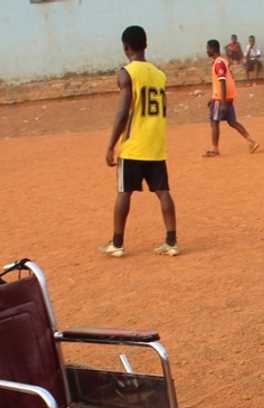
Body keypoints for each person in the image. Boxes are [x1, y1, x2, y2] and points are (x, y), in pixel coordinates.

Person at [99, 26, 176, 258]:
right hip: (155, 145)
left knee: (124, 192)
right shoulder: (159, 74)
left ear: (125, 47)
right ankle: (171, 242)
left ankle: (117, 243)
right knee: (163, 192)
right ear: (146, 44)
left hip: (133, 145)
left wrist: (111, 144)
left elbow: (123, 113)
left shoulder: (126, 72)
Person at [205, 39, 260, 156]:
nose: (207, 51)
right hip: (226, 97)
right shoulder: (223, 62)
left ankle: (215, 149)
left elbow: (223, 82)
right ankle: (251, 142)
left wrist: (222, 102)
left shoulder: (218, 63)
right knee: (233, 122)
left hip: (221, 99)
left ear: (213, 49)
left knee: (214, 122)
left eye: (208, 48)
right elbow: (227, 81)